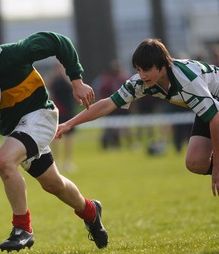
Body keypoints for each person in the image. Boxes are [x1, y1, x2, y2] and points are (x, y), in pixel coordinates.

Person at [0, 21, 108, 252]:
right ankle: (90, 211)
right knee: (53, 184)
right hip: (18, 130)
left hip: (41, 116)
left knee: (3, 161)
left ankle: (22, 229)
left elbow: (59, 41)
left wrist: (76, 80)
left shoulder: (16, 53)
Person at [56, 38, 219, 197]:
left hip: (215, 110)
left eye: (146, 70)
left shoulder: (187, 81)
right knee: (195, 163)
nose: (142, 75)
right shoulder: (142, 82)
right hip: (214, 108)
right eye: (138, 69)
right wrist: (69, 124)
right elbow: (107, 104)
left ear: (163, 66)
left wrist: (217, 168)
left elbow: (216, 119)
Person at [47, 62, 77, 172]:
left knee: (69, 138)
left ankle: (68, 162)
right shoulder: (54, 81)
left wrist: (64, 76)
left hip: (68, 112)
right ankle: (56, 162)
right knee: (55, 138)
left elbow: (73, 88)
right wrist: (53, 76)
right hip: (57, 113)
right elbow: (48, 90)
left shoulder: (67, 80)